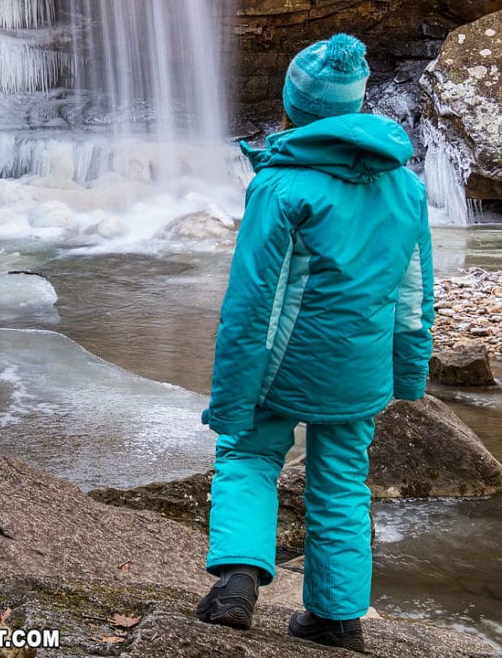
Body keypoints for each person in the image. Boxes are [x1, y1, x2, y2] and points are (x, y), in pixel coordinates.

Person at [195, 33, 435, 653]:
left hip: (280, 364)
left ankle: (237, 582)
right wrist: (409, 374)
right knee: (343, 482)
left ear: (293, 109)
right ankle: (336, 617)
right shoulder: (406, 187)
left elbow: (252, 301)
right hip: (360, 367)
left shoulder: (281, 187)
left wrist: (230, 393)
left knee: (247, 454)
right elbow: (414, 295)